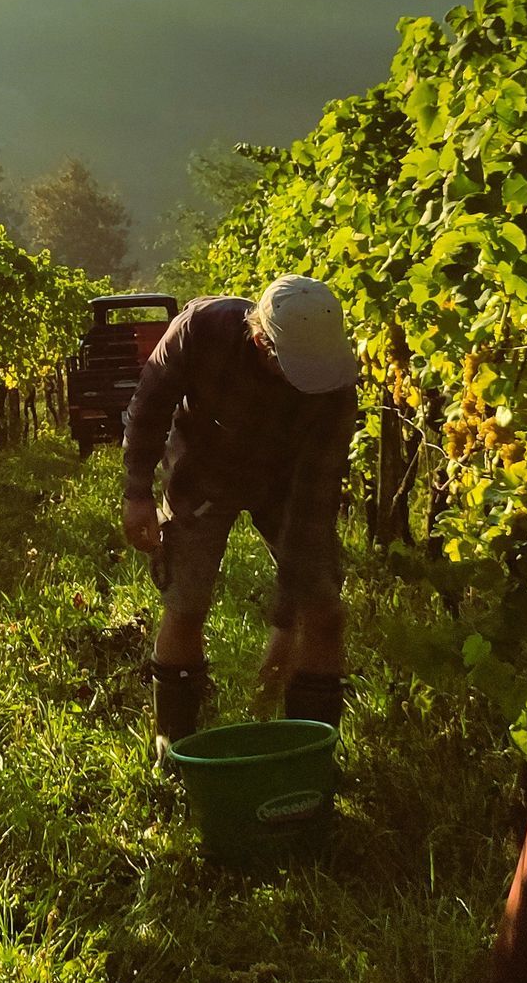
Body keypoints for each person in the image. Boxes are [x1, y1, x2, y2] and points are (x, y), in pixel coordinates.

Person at [121, 275, 359, 755]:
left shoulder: (333, 383)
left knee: (325, 612)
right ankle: (175, 742)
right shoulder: (201, 328)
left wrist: (286, 619)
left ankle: (309, 753)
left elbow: (316, 497)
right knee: (186, 602)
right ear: (260, 340)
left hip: (287, 483)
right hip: (204, 469)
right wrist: (137, 492)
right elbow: (149, 405)